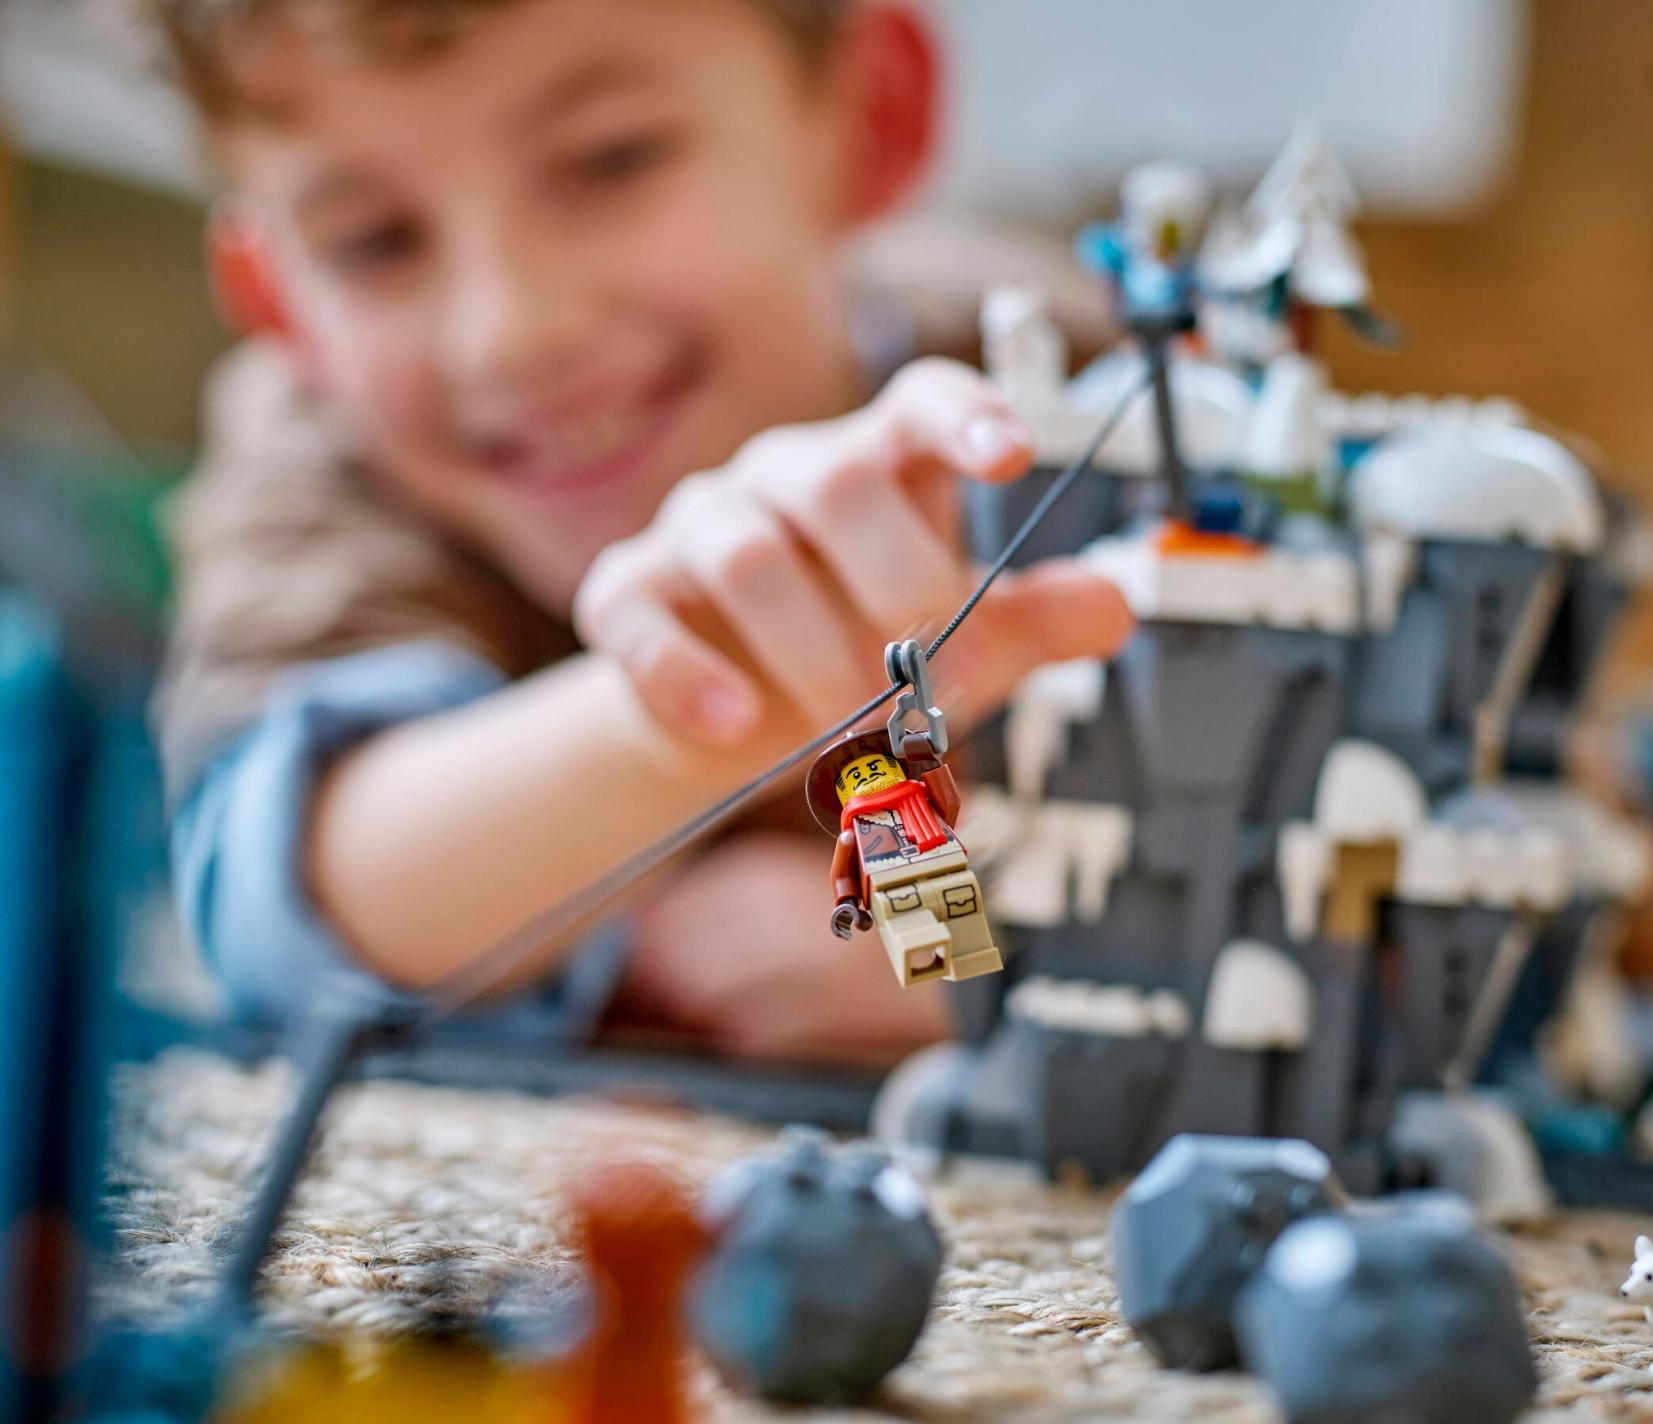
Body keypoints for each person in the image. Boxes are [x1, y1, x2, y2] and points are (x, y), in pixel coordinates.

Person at [147, 0, 1133, 1063]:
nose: (511, 334)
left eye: (610, 161)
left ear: (869, 115)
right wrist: (694, 710)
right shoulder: (321, 466)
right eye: (374, 242)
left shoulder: (1091, 395)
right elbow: (285, 901)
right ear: (275, 303)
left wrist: (972, 964)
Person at [809, 728, 999, 988]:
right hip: (893, 884)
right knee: (910, 924)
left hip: (945, 867)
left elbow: (950, 804)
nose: (870, 774)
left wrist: (930, 762)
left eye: (875, 766)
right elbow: (843, 874)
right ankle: (924, 963)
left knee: (963, 912)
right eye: (856, 775)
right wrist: (847, 903)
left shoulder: (923, 802)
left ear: (895, 768)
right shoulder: (854, 833)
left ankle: (973, 957)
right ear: (844, 792)